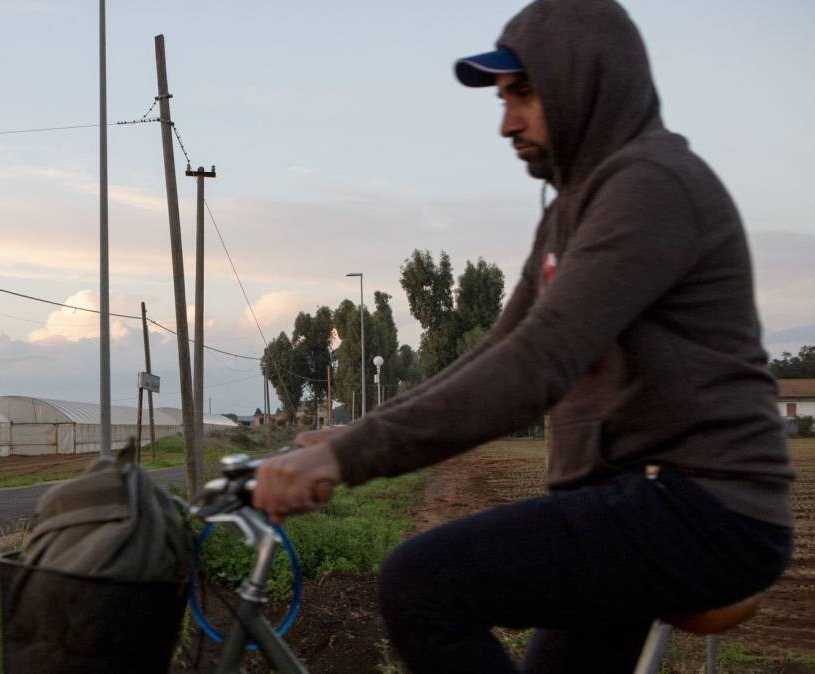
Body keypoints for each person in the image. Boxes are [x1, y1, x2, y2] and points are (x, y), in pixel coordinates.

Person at [250, 0, 795, 671]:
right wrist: (352, 434)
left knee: (419, 585)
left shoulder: (651, 186)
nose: (507, 122)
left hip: (701, 506)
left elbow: (537, 363)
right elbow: (499, 350)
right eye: (503, 98)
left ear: (589, 83)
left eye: (526, 94)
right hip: (634, 498)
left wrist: (349, 458)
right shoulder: (573, 210)